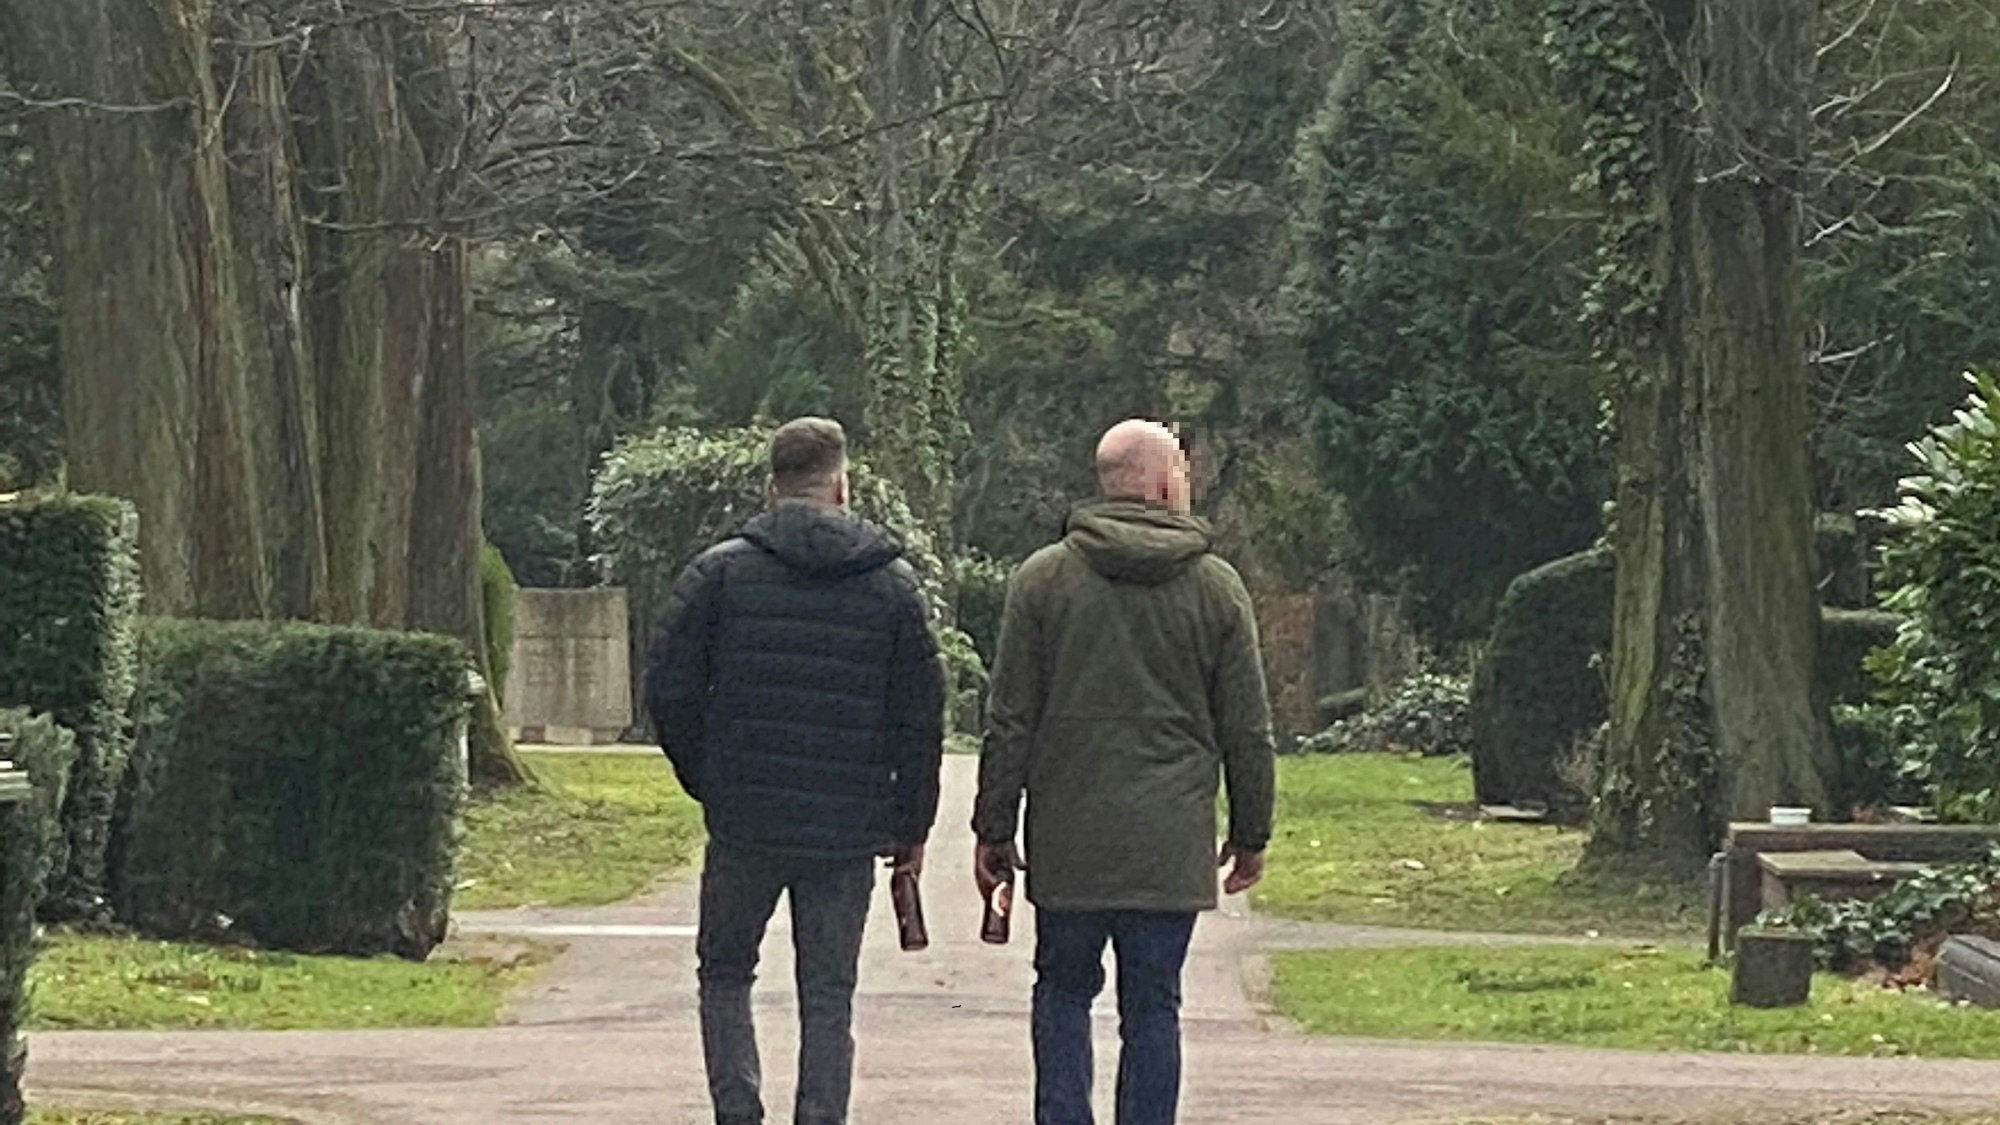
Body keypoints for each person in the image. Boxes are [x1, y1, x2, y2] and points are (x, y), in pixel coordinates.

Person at [972, 419, 1276, 1125]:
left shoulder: (1043, 580)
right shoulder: (1216, 588)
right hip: (1168, 843)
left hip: (1070, 835)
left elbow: (1009, 718)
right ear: (1166, 482)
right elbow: (1247, 727)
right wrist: (1252, 829)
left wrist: (994, 828)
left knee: (1062, 991)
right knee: (1154, 1006)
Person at [647, 417, 946, 1125]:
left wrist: (709, 777)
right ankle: (820, 1113)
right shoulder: (892, 585)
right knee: (828, 988)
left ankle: (737, 1106)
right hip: (845, 827)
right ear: (841, 484)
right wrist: (911, 822)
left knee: (725, 970)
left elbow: (668, 687)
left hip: (745, 814)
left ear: (772, 485)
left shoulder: (720, 574)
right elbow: (921, 716)